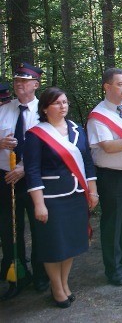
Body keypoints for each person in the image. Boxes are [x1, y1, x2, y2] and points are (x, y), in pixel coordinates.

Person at [24, 87, 98, 308]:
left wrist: (92, 190)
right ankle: (56, 287)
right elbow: (32, 171)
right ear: (45, 108)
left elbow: (87, 162)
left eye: (65, 102)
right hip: (51, 198)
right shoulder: (36, 135)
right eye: (57, 103)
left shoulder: (77, 129)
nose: (63, 106)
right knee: (54, 245)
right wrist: (39, 204)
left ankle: (65, 283)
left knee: (72, 243)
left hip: (76, 195)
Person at [86, 68, 122, 286]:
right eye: (120, 83)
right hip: (111, 177)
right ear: (107, 87)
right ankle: (114, 269)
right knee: (113, 223)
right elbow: (108, 146)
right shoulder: (98, 116)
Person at [0, 62, 49, 300]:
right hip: (5, 179)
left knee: (40, 227)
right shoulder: (3, 109)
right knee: (10, 230)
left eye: (24, 81)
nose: (19, 85)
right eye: (17, 81)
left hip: (35, 178)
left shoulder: (46, 109)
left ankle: (42, 275)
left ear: (36, 85)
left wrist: (24, 167)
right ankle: (17, 275)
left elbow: (50, 144)